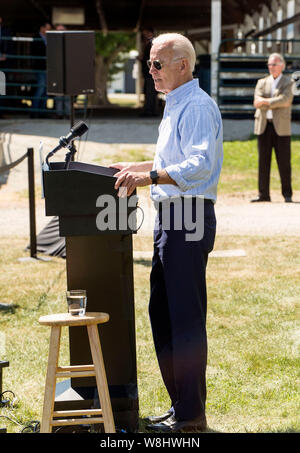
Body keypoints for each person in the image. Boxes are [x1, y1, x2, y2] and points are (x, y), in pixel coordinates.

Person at [110, 33, 223, 432]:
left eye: (158, 64)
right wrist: (138, 166)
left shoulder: (196, 106)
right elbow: (172, 159)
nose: (151, 72)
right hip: (172, 218)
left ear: (183, 65)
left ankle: (191, 416)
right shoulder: (176, 105)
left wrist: (149, 176)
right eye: (149, 64)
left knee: (185, 317)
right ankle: (182, 407)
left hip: (188, 217)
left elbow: (198, 166)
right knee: (164, 313)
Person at [252, 53, 294, 203]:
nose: (272, 67)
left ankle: (287, 194)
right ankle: (263, 194)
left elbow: (286, 100)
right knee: (263, 162)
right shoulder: (261, 82)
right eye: (270, 64)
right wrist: (269, 101)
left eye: (274, 64)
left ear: (282, 65)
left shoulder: (289, 82)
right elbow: (256, 101)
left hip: (281, 127)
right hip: (264, 126)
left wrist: (266, 101)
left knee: (284, 162)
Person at [31, 22, 52, 117]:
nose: (49, 31)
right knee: (40, 88)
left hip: (48, 68)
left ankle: (42, 112)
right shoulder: (36, 38)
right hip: (39, 67)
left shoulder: (48, 39)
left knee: (45, 91)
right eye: (47, 28)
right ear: (42, 28)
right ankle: (34, 111)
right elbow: (35, 53)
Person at [139, 28, 158, 117]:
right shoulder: (148, 44)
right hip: (147, 72)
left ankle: (150, 111)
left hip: (151, 72)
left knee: (150, 92)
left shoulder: (153, 43)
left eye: (146, 33)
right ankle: (149, 109)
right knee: (148, 91)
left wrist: (142, 59)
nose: (145, 35)